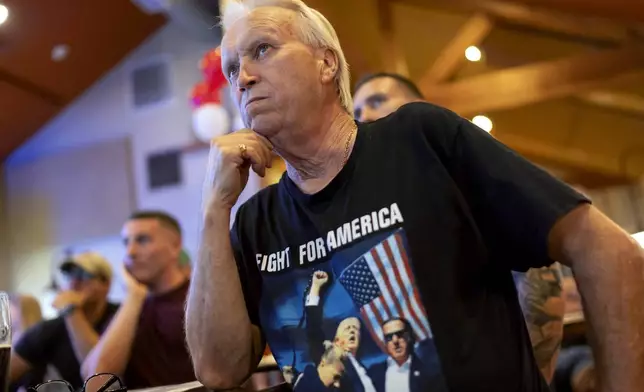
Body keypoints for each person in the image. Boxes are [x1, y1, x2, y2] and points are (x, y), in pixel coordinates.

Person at [185, 1, 644, 391]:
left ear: (326, 63)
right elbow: (218, 370)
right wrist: (212, 209)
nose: (241, 77)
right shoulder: (254, 220)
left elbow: (607, 250)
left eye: (262, 50)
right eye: (230, 69)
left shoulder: (419, 139)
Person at [352, 71, 566, 384]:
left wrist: (534, 374)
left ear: (420, 107)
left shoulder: (461, 176)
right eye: (356, 112)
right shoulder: (369, 203)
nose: (365, 116)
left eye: (378, 101)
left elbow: (539, 277)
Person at [81, 211, 195, 389]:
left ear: (175, 246)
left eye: (142, 240)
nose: (130, 252)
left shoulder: (198, 301)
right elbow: (96, 379)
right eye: (126, 242)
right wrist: (134, 296)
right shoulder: (130, 308)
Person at [9, 252, 118, 390]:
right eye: (70, 275)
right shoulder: (49, 330)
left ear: (106, 284)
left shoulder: (121, 318)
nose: (74, 282)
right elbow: (7, 373)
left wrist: (71, 311)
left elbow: (100, 375)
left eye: (83, 275)